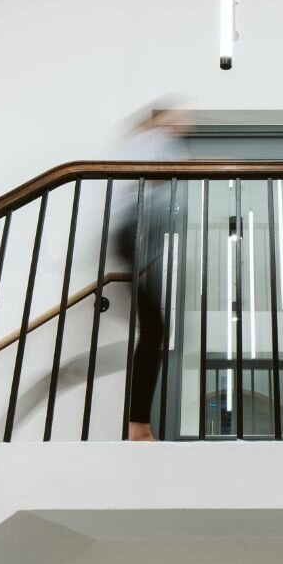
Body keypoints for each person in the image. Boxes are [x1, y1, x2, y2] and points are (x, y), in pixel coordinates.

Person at [108, 99, 189, 441]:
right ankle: (137, 425)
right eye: (181, 115)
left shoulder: (155, 143)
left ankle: (137, 424)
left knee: (154, 329)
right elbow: (148, 190)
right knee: (154, 330)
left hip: (139, 241)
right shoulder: (156, 142)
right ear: (163, 116)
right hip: (134, 236)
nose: (187, 122)